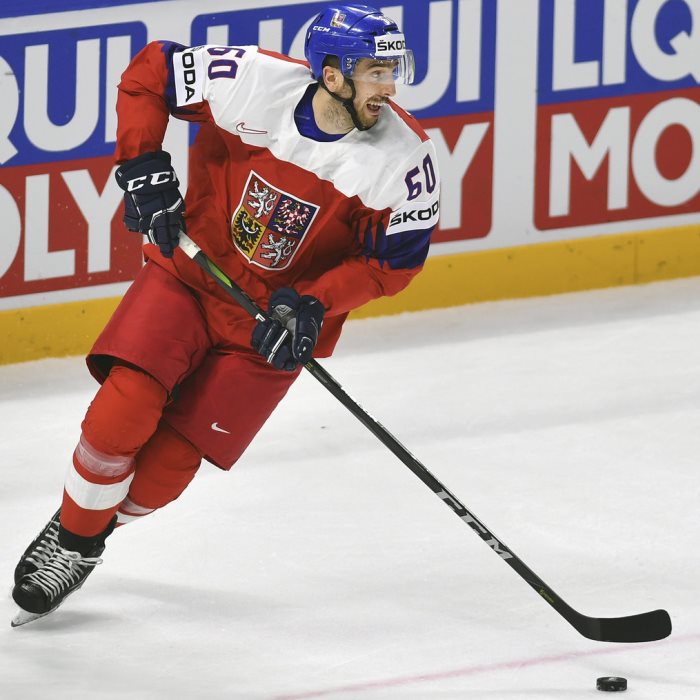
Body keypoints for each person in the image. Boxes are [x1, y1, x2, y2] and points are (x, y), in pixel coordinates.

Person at [11, 3, 440, 625]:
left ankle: (85, 528)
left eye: (393, 71)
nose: (390, 88)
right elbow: (150, 72)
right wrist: (142, 165)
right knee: (123, 408)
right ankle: (75, 538)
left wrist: (315, 302)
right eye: (376, 72)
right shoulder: (252, 82)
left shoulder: (403, 161)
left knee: (167, 471)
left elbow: (390, 266)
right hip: (191, 275)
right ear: (332, 74)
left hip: (274, 329)